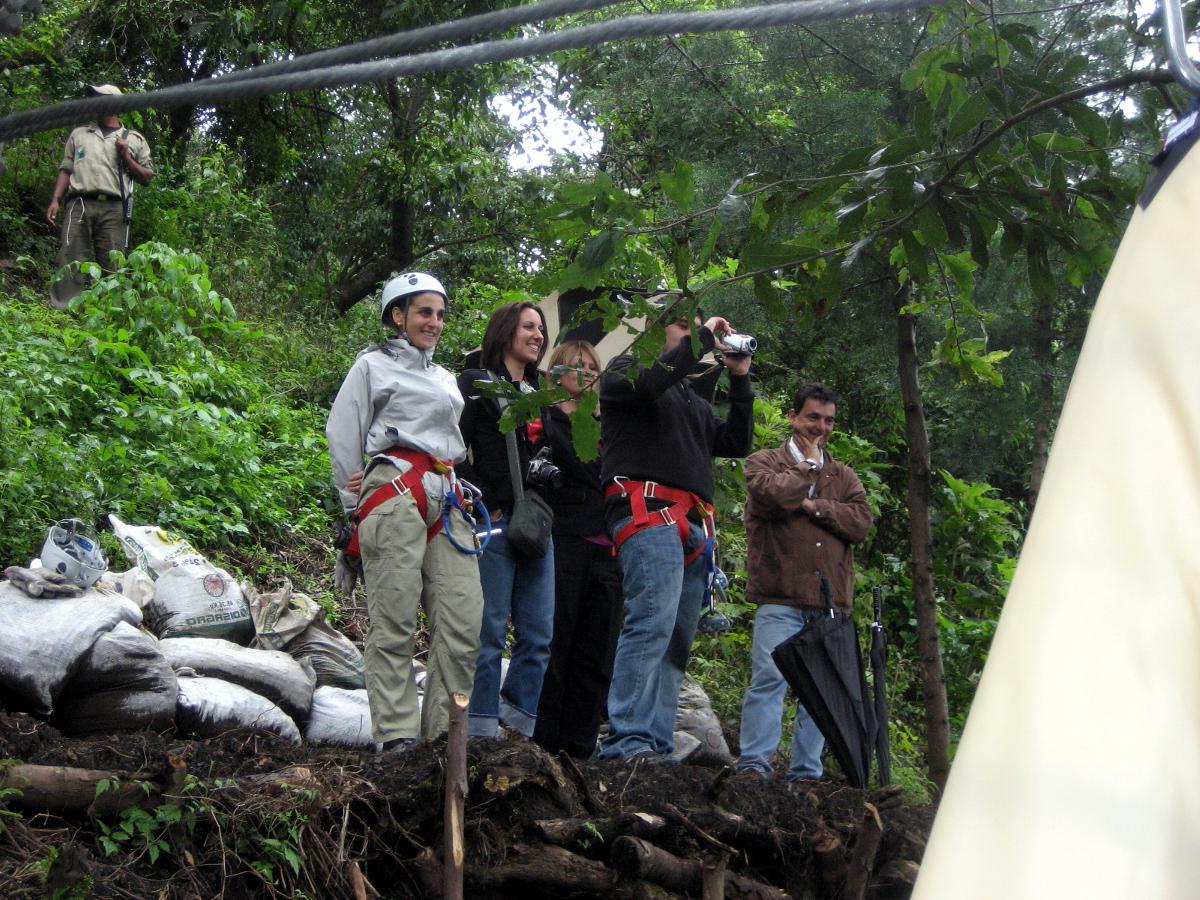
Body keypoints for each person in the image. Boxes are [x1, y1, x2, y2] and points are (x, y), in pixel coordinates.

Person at [325, 272, 484, 749]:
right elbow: (343, 432)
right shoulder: (372, 366)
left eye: (439, 314)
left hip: (448, 492)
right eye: (423, 312)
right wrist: (355, 506)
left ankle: (441, 737)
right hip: (393, 488)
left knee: (462, 622)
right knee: (392, 619)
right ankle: (395, 737)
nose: (434, 322)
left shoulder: (446, 377)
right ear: (398, 316)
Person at [596, 308, 754, 761]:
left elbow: (736, 443)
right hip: (648, 513)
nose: (693, 332)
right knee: (650, 624)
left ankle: (657, 742)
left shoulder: (689, 399)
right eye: (684, 324)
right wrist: (703, 339)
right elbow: (653, 381)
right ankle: (628, 738)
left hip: (690, 524)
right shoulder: (625, 372)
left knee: (677, 639)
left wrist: (739, 378)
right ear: (654, 330)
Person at [735, 383, 873, 780]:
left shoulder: (844, 476)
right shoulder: (763, 462)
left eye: (828, 420)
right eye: (813, 416)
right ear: (794, 416)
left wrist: (813, 505)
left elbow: (861, 522)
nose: (821, 427)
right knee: (768, 680)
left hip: (830, 602)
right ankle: (753, 767)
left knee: (820, 695)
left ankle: (805, 775)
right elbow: (773, 497)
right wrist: (807, 469)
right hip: (779, 595)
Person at [457, 302, 555, 739]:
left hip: (535, 523)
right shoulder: (475, 384)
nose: (537, 335)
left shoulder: (543, 394)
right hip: (494, 520)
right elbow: (451, 447)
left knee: (538, 634)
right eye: (528, 327)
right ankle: (479, 729)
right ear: (505, 332)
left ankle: (517, 726)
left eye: (540, 328)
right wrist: (482, 496)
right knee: (490, 631)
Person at [532, 340, 624, 758]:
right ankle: (544, 741)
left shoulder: (612, 428)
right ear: (556, 373)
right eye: (576, 367)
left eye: (592, 368)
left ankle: (580, 748)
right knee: (558, 642)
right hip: (565, 539)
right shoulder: (545, 420)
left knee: (598, 649)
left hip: (609, 546)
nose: (586, 375)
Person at [45, 84, 154, 309]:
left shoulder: (134, 139)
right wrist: (55, 199)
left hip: (114, 208)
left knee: (112, 262)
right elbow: (66, 169)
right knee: (70, 257)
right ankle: (63, 311)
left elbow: (146, 177)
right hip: (79, 203)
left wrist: (126, 156)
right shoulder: (80, 134)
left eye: (100, 98)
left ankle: (108, 314)